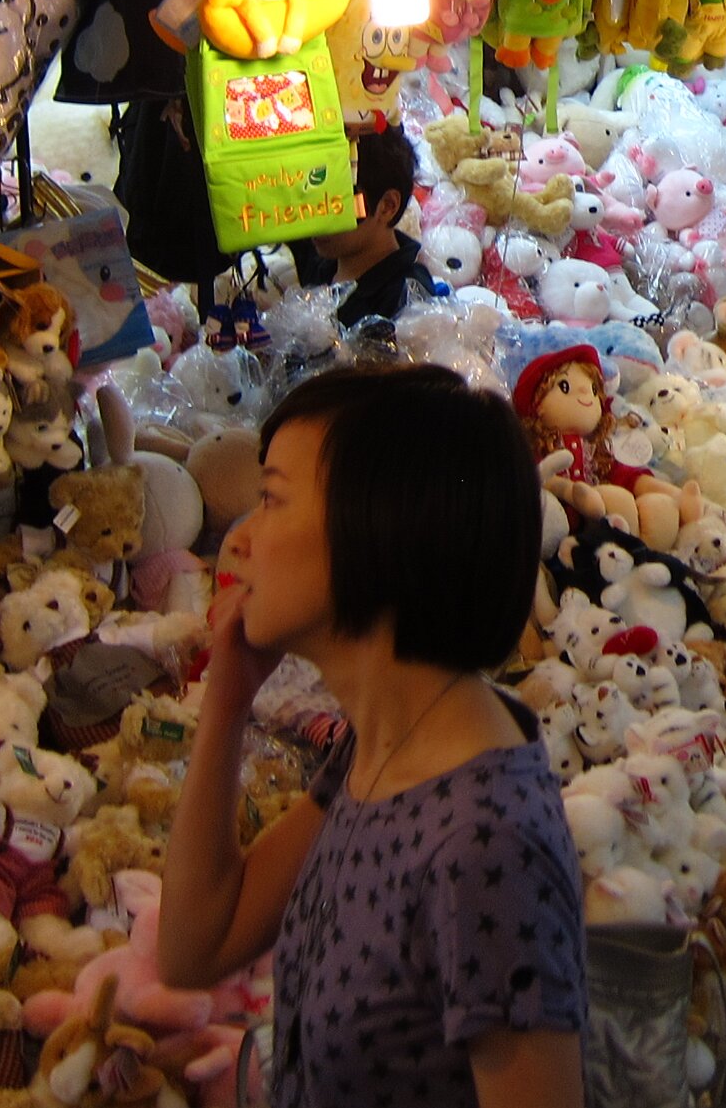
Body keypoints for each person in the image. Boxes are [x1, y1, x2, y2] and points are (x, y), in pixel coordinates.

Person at [160, 365, 586, 1108]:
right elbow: (196, 946)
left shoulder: (484, 844)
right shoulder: (384, 746)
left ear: (378, 528)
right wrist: (227, 701)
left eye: (271, 498)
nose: (242, 538)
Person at [294, 125, 434, 325]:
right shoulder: (318, 259)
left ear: (387, 206)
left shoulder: (408, 299)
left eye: (336, 205)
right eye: (309, 200)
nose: (317, 218)